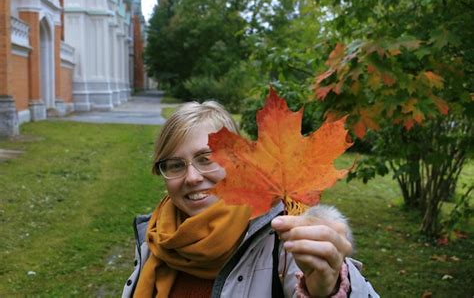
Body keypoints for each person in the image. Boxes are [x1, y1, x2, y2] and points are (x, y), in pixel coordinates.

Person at [122, 101, 379, 297]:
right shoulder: (155, 237)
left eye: (206, 159)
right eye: (175, 165)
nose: (191, 177)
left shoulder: (285, 236)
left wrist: (330, 288)